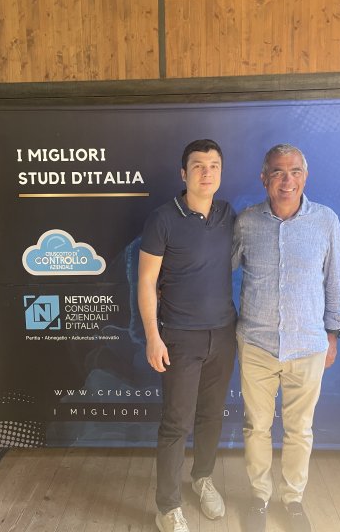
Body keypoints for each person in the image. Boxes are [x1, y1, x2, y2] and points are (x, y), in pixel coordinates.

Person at [233, 144, 340, 532]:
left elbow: (335, 280)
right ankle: (259, 497)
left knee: (300, 430)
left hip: (308, 346)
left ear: (305, 176)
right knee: (256, 427)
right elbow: (217, 270)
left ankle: (293, 499)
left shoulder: (326, 221)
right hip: (257, 344)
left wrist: (333, 333)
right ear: (263, 178)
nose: (287, 180)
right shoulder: (246, 222)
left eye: (295, 171)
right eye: (278, 172)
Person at [138, 139, 236, 532]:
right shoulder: (162, 219)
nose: (206, 172)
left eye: (214, 165)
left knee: (211, 415)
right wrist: (152, 336)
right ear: (184, 173)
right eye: (198, 165)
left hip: (224, 334)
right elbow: (147, 281)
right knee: (176, 422)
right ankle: (167, 507)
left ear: (221, 172)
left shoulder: (229, 215)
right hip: (179, 337)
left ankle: (202, 478)